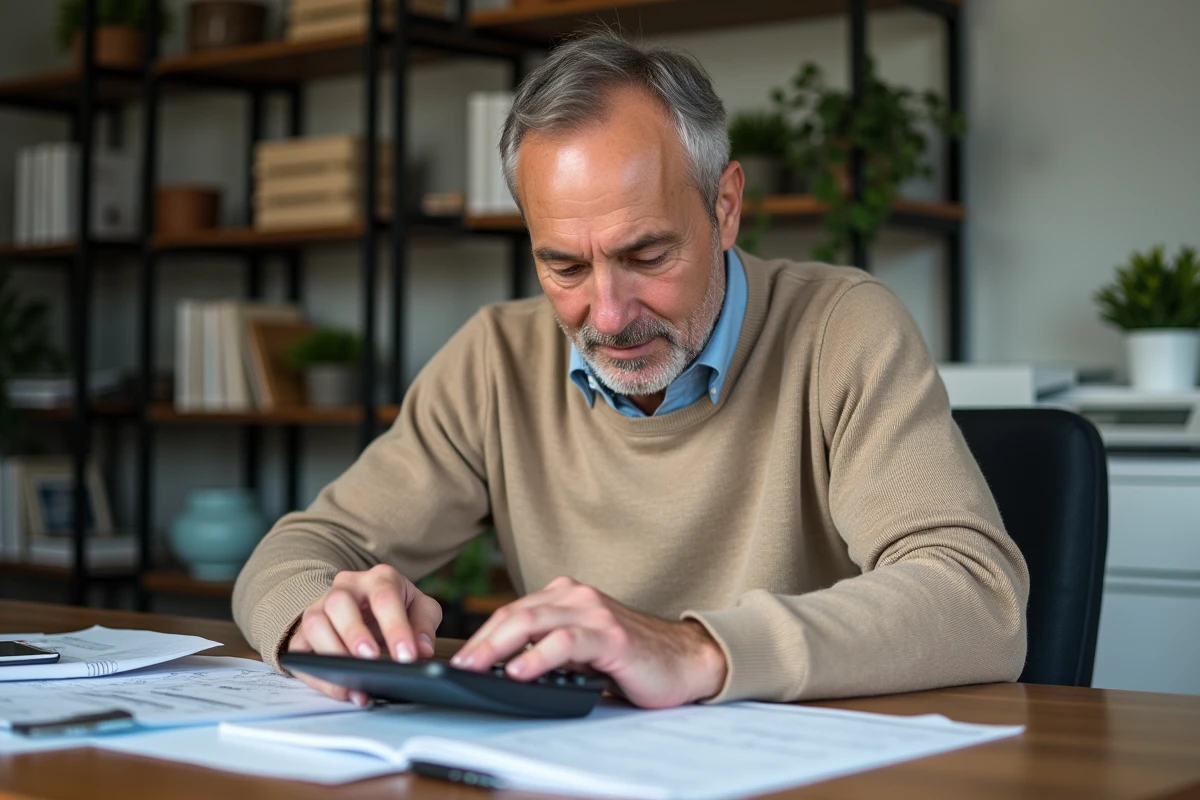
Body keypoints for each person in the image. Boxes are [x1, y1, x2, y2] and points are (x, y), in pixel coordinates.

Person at [232, 29, 1028, 710]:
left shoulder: (841, 330)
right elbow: (301, 549)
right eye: (564, 267)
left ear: (724, 207)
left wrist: (696, 651)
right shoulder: (495, 359)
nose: (608, 316)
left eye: (646, 255)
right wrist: (317, 617)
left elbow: (977, 597)